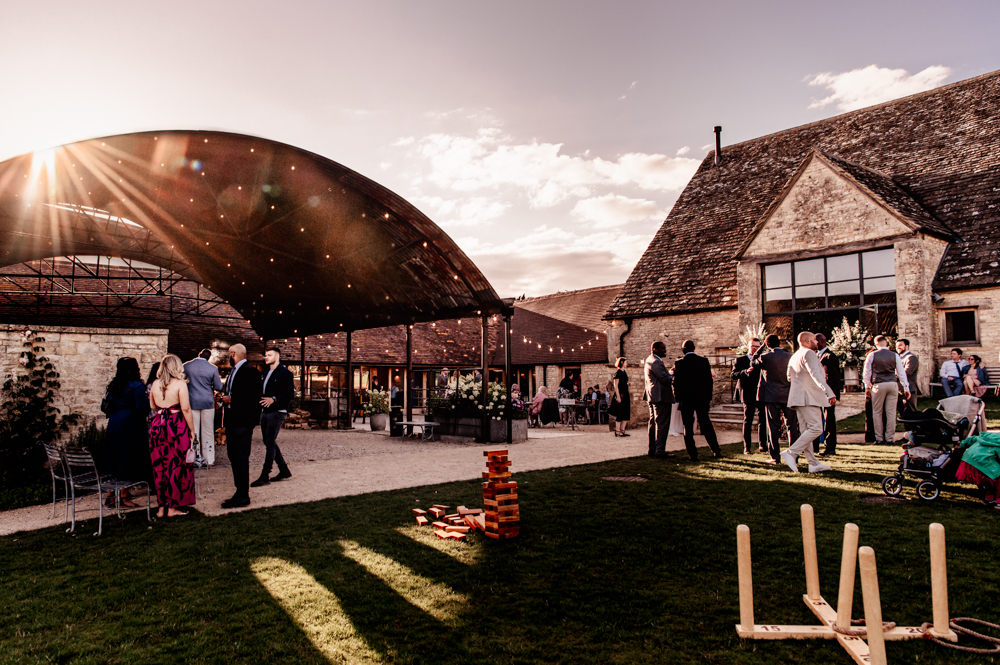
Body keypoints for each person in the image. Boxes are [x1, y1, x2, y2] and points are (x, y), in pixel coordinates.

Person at [148, 354, 196, 517]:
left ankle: (162, 507)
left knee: (159, 466)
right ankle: (173, 507)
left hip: (158, 425)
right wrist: (191, 430)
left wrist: (163, 410)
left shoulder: (154, 384)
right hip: (176, 427)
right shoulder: (180, 384)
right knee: (177, 465)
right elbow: (186, 409)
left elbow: (153, 406)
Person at [782, 332, 836, 474]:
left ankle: (813, 464)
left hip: (798, 397)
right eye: (814, 340)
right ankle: (791, 453)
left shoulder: (794, 356)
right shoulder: (809, 354)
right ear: (807, 340)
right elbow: (815, 375)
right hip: (808, 397)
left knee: (806, 431)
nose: (817, 342)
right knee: (817, 428)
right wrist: (829, 392)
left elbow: (789, 377)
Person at [101, 357, 151, 508]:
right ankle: (123, 496)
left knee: (114, 457)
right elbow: (142, 407)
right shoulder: (136, 386)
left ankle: (110, 496)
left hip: (114, 423)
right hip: (130, 424)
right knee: (126, 459)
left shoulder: (114, 385)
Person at [220, 343, 262, 509]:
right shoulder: (234, 371)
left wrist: (232, 399)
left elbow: (253, 397)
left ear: (234, 354)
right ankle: (239, 491)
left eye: (229, 354)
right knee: (233, 456)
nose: (228, 357)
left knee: (241, 457)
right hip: (232, 420)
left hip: (243, 422)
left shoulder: (250, 371)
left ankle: (243, 495)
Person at [752, 334, 799, 464]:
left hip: (771, 396)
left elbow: (753, 362)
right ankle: (794, 455)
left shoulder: (765, 357)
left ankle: (775, 457)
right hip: (788, 395)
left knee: (773, 426)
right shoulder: (790, 357)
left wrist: (760, 349)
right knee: (792, 426)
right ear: (779, 343)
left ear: (767, 345)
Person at [673, 340, 722, 461]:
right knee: (706, 424)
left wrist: (678, 398)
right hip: (702, 399)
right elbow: (709, 382)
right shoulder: (703, 361)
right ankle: (716, 450)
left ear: (683, 349)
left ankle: (693, 454)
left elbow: (677, 383)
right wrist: (708, 398)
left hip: (686, 400)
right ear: (694, 348)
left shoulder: (679, 364)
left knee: (688, 428)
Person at [253, 346, 294, 487]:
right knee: (268, 441)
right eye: (265, 355)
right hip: (265, 411)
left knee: (269, 440)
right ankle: (284, 470)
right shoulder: (265, 373)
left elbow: (290, 394)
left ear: (277, 357)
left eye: (269, 355)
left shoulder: (285, 373)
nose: (266, 357)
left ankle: (265, 475)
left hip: (277, 411)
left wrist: (274, 399)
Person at [863, 335, 910, 446]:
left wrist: (867, 387)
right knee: (891, 412)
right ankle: (889, 438)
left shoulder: (872, 355)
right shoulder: (895, 355)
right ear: (887, 343)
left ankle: (879, 438)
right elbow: (901, 373)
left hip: (878, 384)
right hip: (892, 384)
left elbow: (867, 372)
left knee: (877, 412)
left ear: (876, 344)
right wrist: (906, 387)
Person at [183, 349, 222, 466]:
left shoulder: (186, 366)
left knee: (193, 431)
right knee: (208, 430)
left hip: (192, 401)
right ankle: (209, 459)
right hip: (207, 402)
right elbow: (219, 386)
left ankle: (195, 457)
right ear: (209, 357)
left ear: (199, 355)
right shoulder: (213, 368)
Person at [731, 337, 764, 454]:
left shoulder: (762, 360)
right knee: (748, 420)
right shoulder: (740, 360)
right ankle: (747, 448)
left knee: (762, 420)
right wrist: (745, 372)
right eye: (753, 346)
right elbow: (733, 375)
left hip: (760, 393)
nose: (755, 348)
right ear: (748, 347)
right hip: (747, 392)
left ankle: (763, 445)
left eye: (757, 346)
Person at [644, 340, 676, 458]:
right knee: (662, 423)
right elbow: (665, 379)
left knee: (654, 423)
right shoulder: (656, 361)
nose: (665, 350)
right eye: (662, 348)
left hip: (652, 395)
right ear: (655, 349)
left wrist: (669, 373)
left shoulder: (650, 360)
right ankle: (660, 450)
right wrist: (673, 374)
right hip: (660, 396)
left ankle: (653, 449)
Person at [815, 333, 842, 456]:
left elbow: (835, 378)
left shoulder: (830, 356)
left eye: (815, 341)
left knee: (829, 420)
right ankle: (815, 446)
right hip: (818, 393)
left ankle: (830, 447)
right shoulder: (816, 355)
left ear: (821, 341)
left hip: (828, 394)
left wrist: (833, 394)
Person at [896, 339, 920, 413]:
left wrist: (891, 377)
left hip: (909, 389)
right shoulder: (898, 358)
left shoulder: (911, 357)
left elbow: (907, 372)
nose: (898, 347)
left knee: (910, 413)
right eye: (896, 346)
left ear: (907, 346)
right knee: (902, 413)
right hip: (899, 390)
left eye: (900, 345)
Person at [609, 358, 631, 437]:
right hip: (620, 395)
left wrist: (627, 384)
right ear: (622, 362)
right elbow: (616, 385)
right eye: (626, 362)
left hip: (625, 394)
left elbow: (623, 382)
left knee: (626, 412)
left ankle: (622, 430)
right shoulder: (618, 372)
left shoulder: (624, 372)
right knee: (619, 413)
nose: (627, 363)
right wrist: (618, 396)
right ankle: (617, 431)